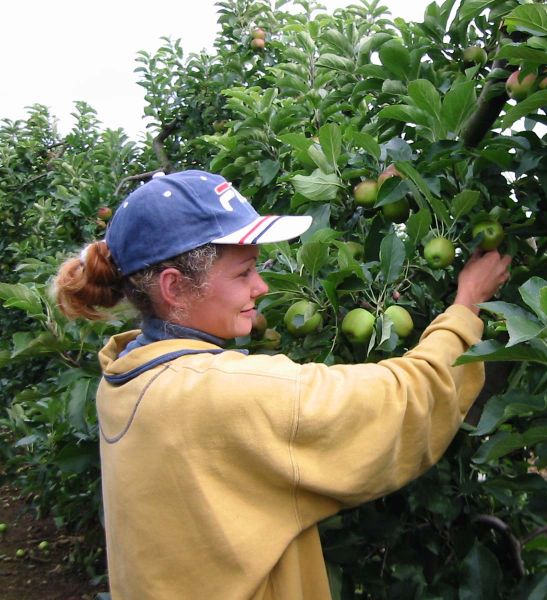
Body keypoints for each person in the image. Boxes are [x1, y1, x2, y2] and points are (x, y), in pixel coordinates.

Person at [54, 169, 511, 600]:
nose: (262, 287)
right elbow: (406, 402)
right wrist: (466, 306)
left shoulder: (125, 374)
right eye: (243, 272)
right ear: (174, 288)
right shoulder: (227, 394)